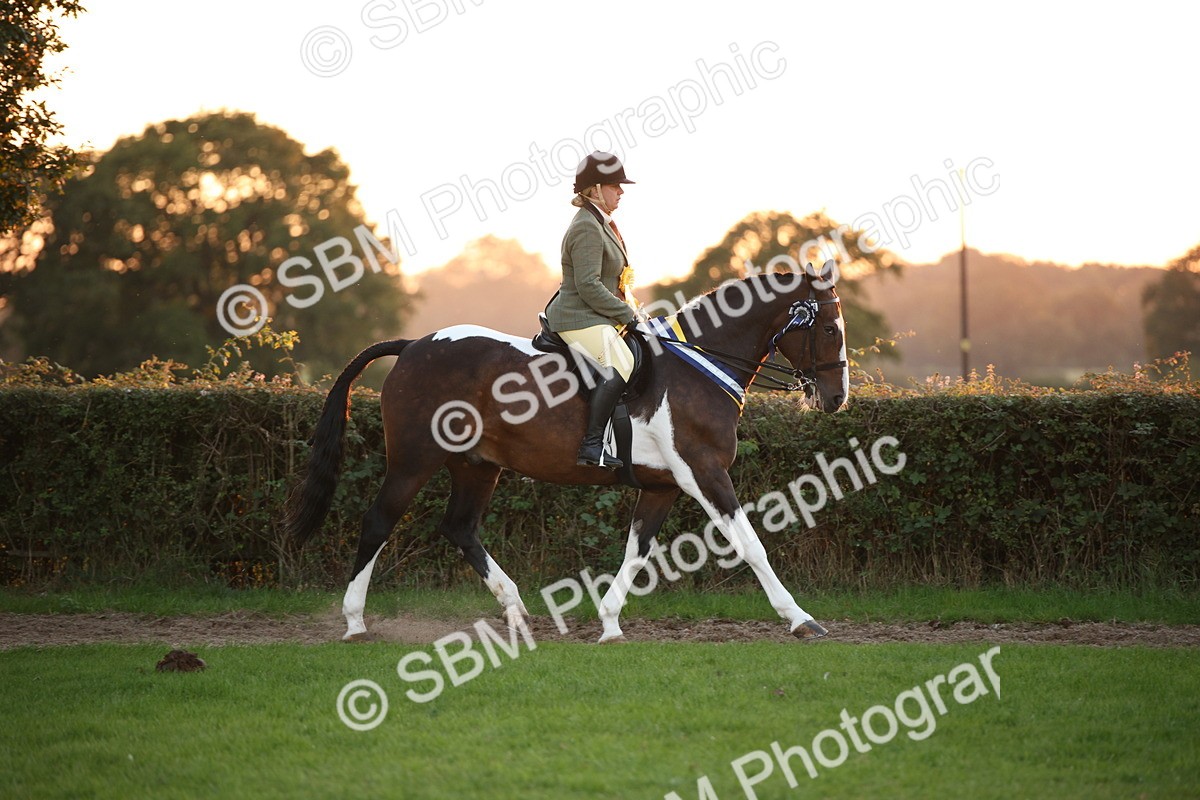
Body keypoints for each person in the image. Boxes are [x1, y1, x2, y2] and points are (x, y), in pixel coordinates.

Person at [545, 151, 642, 469]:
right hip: (577, 315)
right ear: (596, 189)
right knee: (621, 361)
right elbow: (588, 286)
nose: (622, 191)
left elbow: (614, 281)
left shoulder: (603, 224)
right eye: (616, 185)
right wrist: (627, 315)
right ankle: (592, 446)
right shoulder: (587, 226)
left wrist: (634, 309)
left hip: (596, 314)